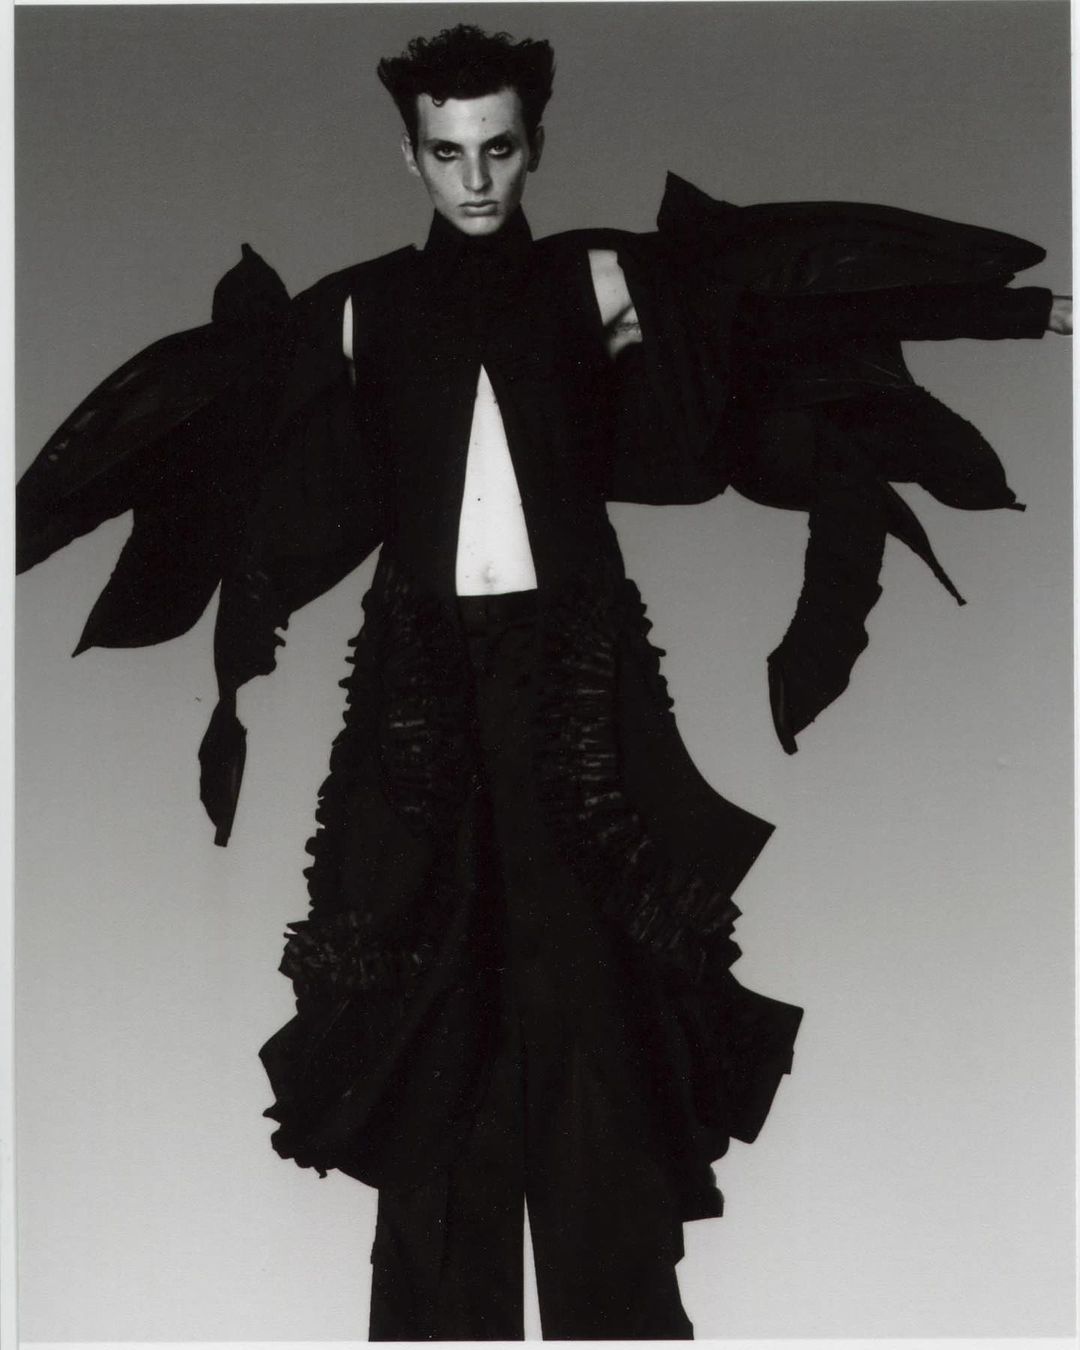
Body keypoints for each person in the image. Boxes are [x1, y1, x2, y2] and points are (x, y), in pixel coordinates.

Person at [16, 22, 1071, 1343]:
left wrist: (1008, 311)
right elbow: (229, 430)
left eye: (498, 149)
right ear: (409, 156)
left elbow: (770, 306)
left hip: (576, 692)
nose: (475, 178)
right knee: (433, 1028)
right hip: (421, 703)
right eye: (448, 152)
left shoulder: (598, 280)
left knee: (597, 1028)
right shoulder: (358, 311)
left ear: (534, 148)